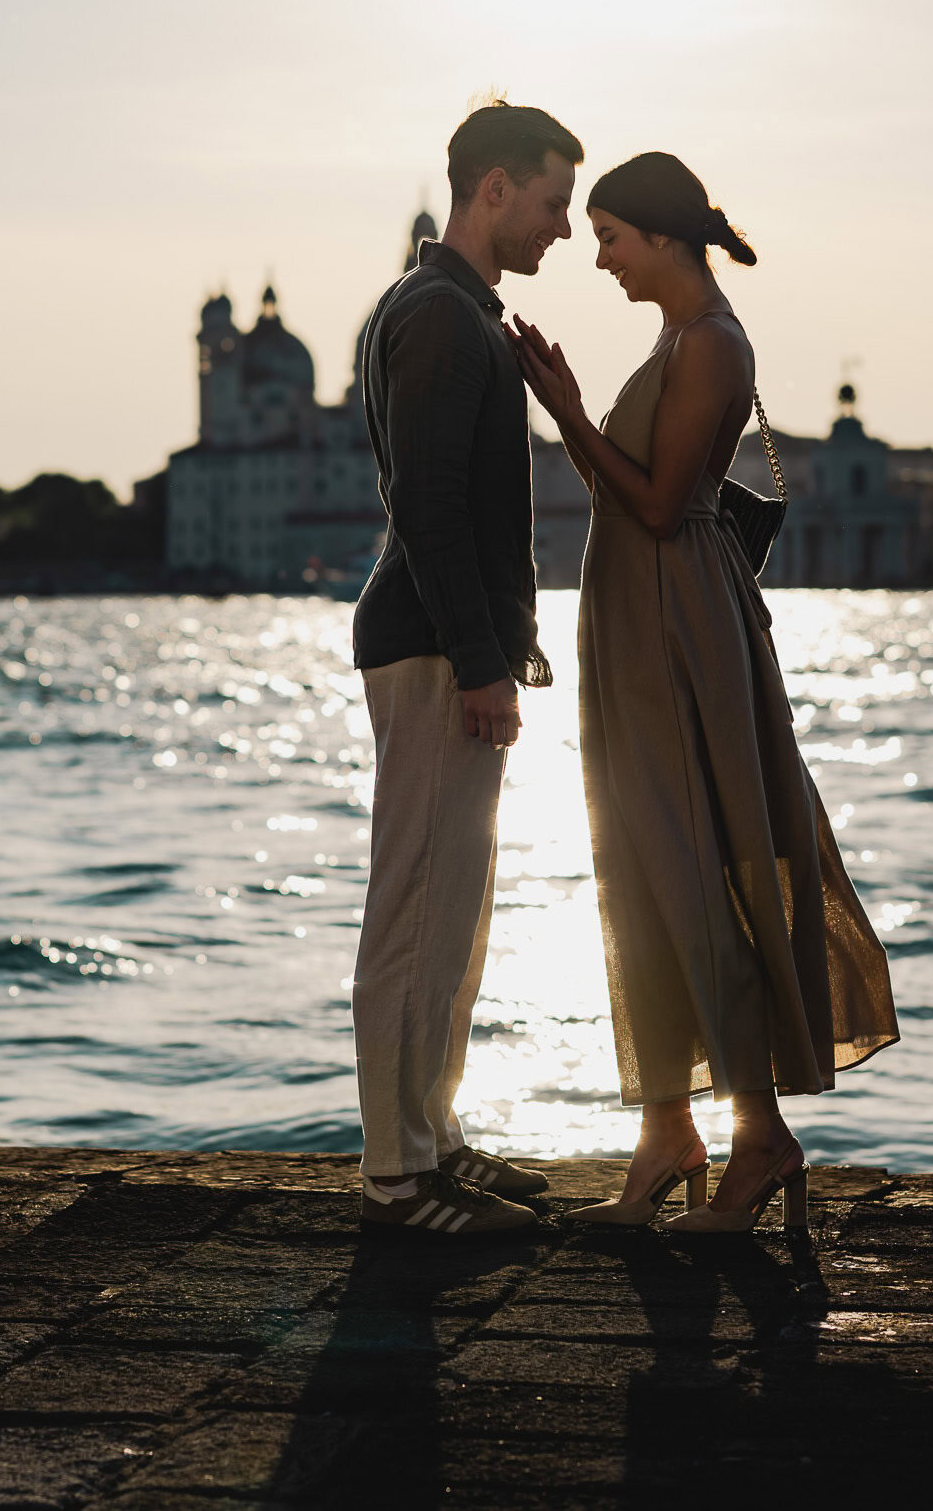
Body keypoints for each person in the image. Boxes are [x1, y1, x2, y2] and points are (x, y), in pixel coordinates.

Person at [510, 151, 899, 1234]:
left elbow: (653, 502)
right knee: (642, 870)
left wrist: (566, 408)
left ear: (663, 236)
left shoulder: (713, 343)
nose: (599, 259)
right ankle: (667, 1133)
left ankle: (759, 1136)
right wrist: (573, 415)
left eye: (612, 238)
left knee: (693, 864)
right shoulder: (678, 339)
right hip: (643, 626)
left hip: (679, 632)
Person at [351, 100, 583, 1236]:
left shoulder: (460, 311)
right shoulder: (440, 315)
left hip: (453, 645)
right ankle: (399, 1178)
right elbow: (429, 508)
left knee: (453, 912)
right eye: (551, 204)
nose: (563, 231)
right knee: (414, 910)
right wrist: (483, 663)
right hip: (434, 645)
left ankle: (433, 1142)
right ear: (492, 189)